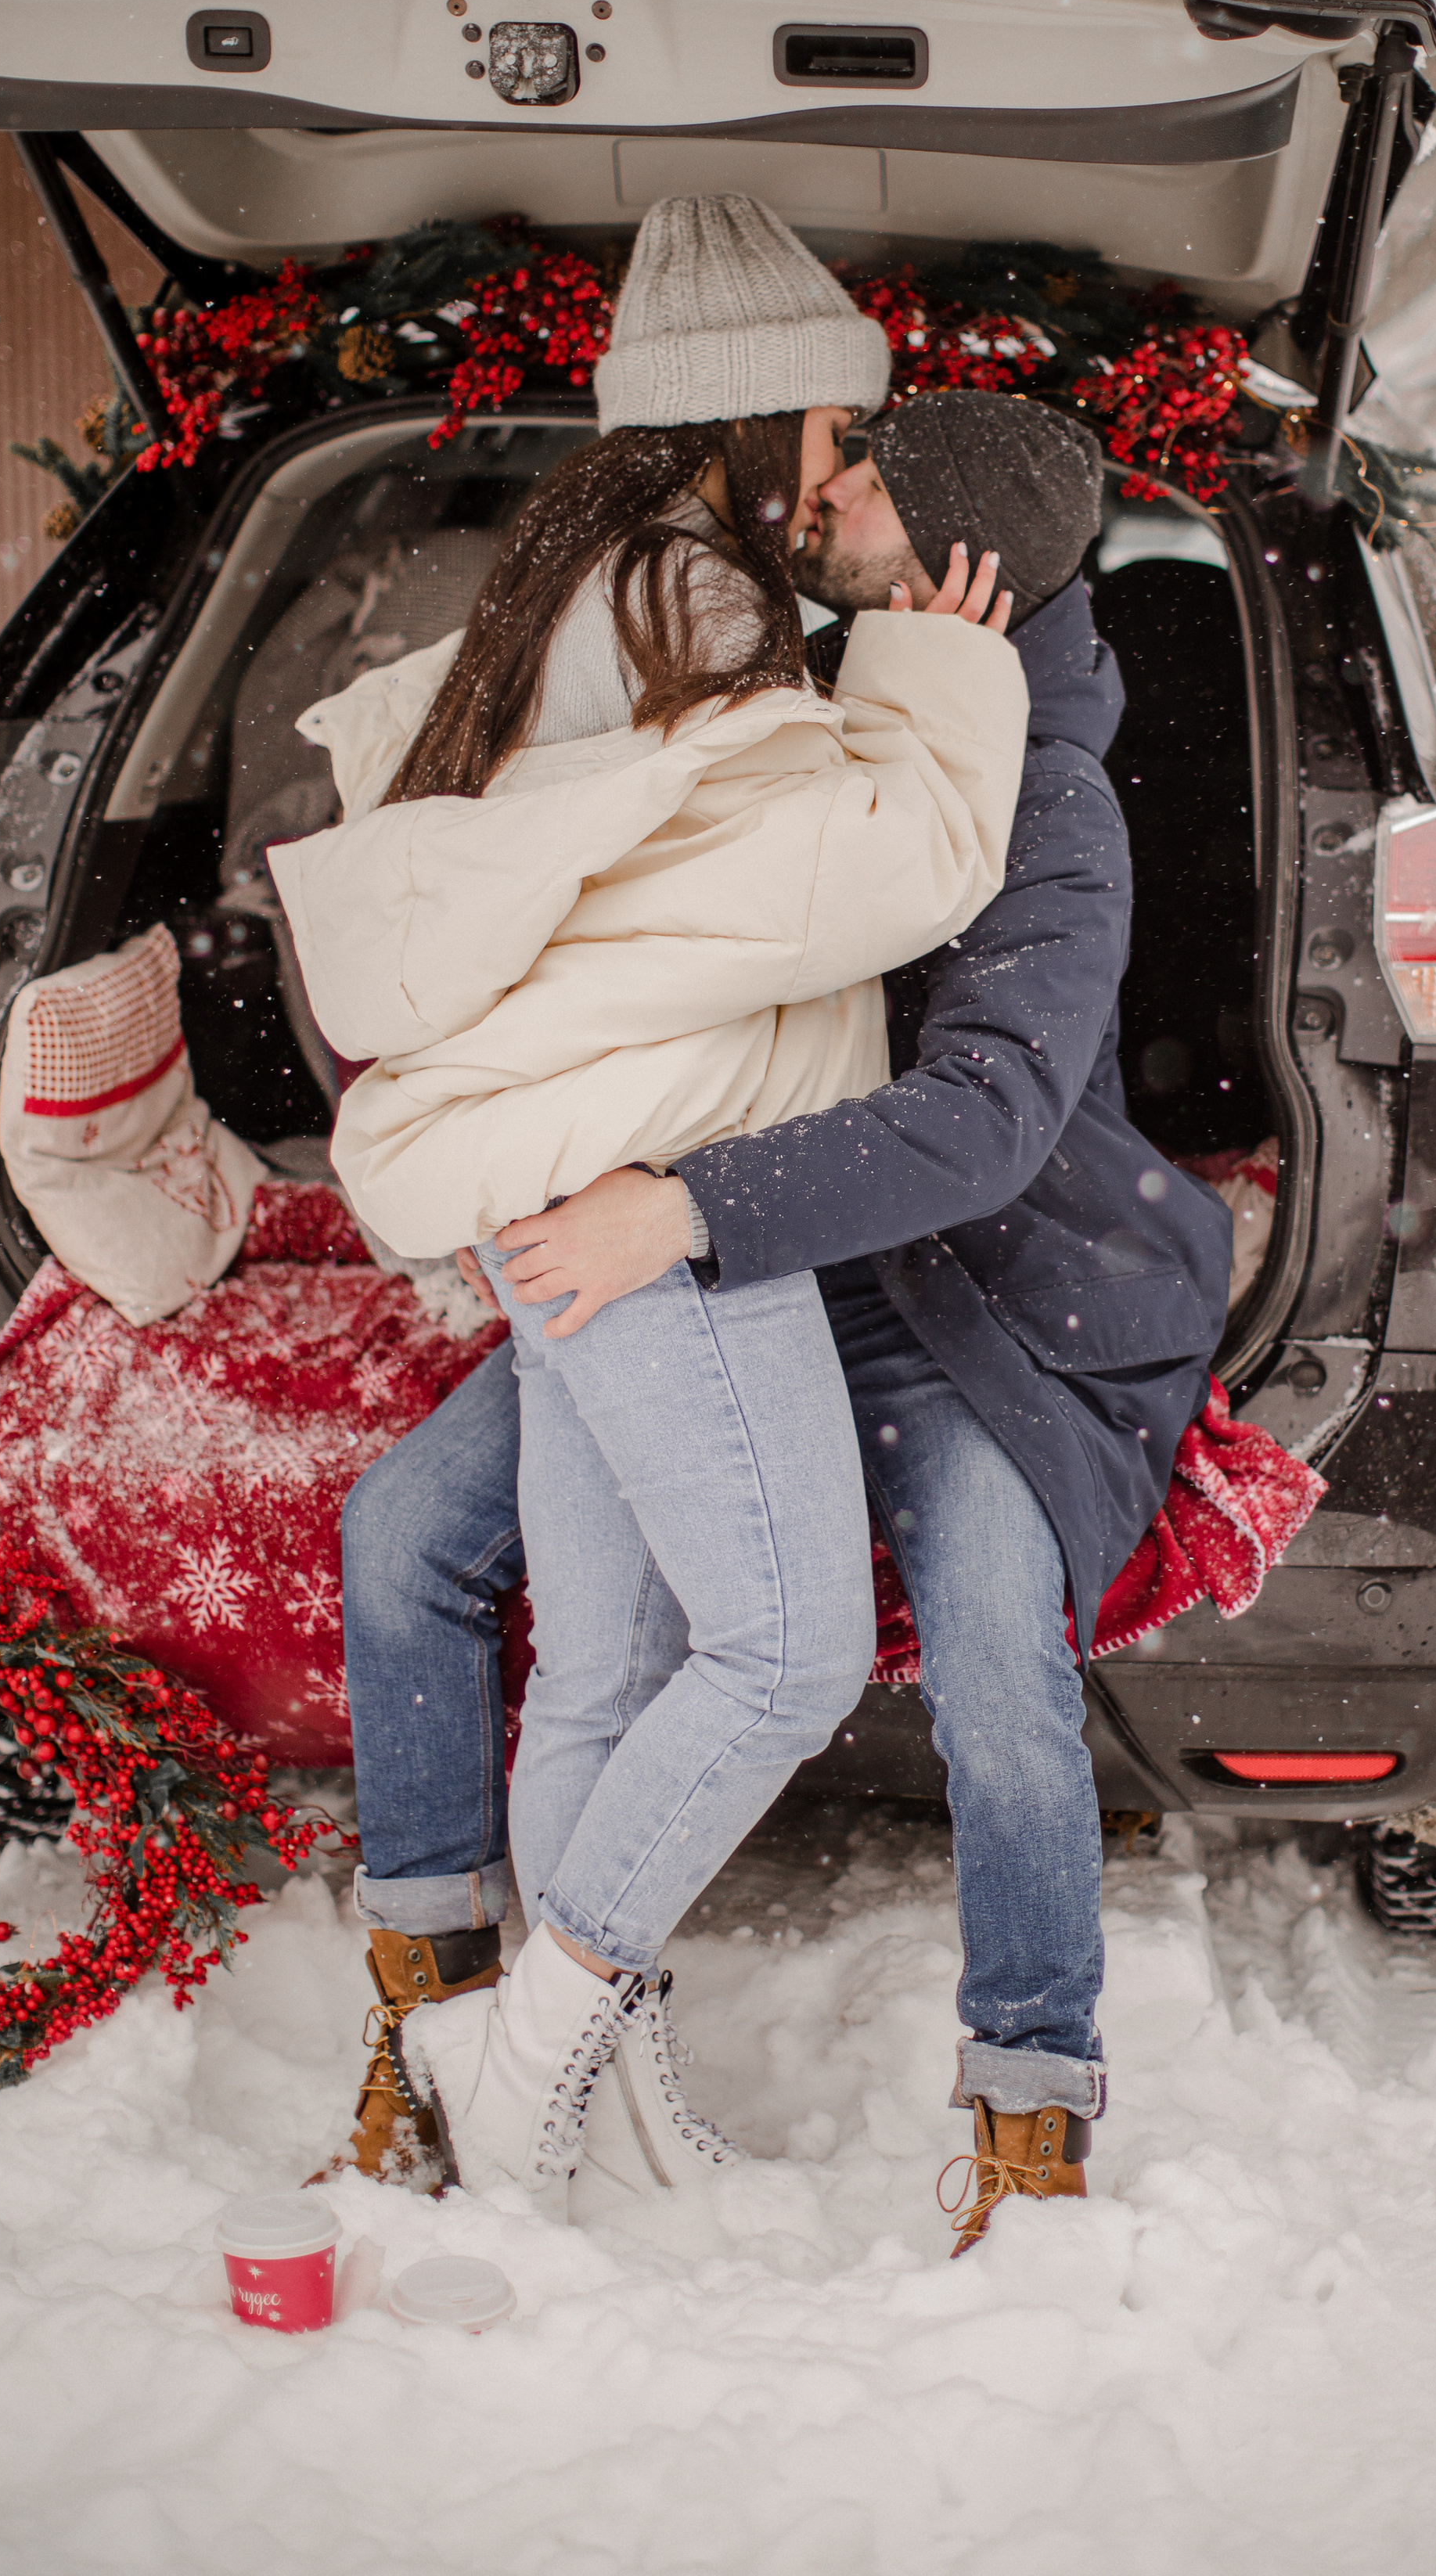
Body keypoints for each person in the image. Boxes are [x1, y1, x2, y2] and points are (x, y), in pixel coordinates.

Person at [329, 371, 1234, 2250]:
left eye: (868, 484)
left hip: (981, 1298)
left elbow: (981, 1123)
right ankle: (456, 2020)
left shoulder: (1044, 802)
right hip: (758, 1251)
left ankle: (1027, 2108)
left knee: (992, 1650)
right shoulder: (807, 677)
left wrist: (681, 1206)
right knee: (412, 1531)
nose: (821, 501)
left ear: (957, 550)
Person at [272, 194, 1029, 2207]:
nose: (844, 478)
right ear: (748, 416)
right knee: (779, 1659)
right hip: (650, 1195)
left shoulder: (581, 576)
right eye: (834, 435)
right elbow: (873, 868)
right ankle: (518, 2051)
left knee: (608, 1668)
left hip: (561, 1194)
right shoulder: (686, 595)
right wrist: (942, 664)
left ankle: (569, 2105)